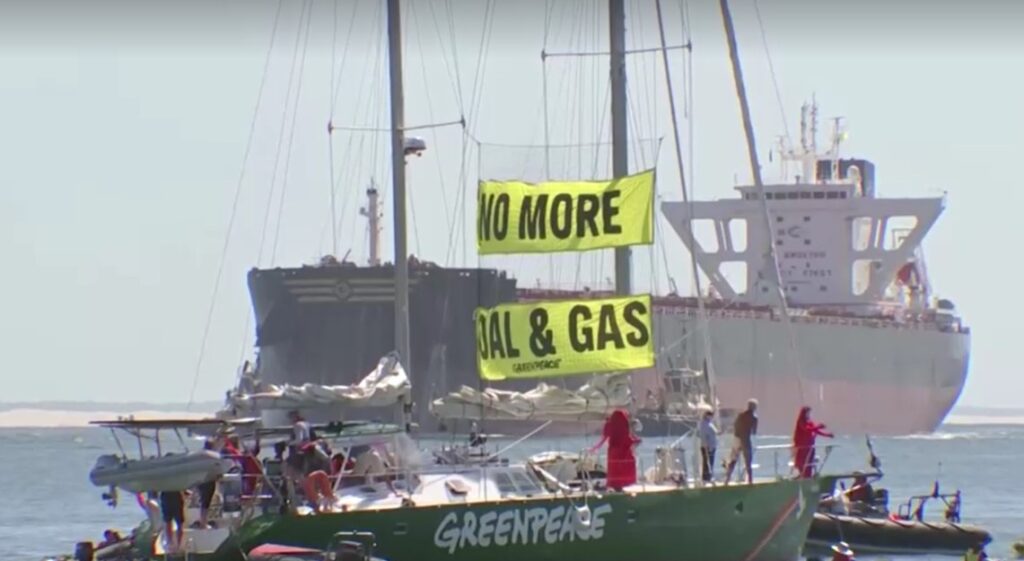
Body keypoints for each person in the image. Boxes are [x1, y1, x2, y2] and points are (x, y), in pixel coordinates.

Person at [589, 409, 640, 491]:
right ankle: (622, 486)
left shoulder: (609, 424)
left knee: (614, 470)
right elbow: (629, 439)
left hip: (613, 452)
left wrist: (595, 447)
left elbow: (604, 438)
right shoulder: (624, 424)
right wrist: (636, 440)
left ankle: (615, 486)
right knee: (624, 468)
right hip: (623, 452)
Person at [724, 399, 759, 485]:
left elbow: (735, 426)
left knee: (733, 459)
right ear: (754, 407)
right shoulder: (754, 418)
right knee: (748, 461)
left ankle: (727, 480)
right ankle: (750, 480)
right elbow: (754, 431)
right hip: (746, 439)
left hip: (737, 438)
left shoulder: (740, 415)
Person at [793, 406, 833, 478]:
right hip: (802, 448)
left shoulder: (810, 422)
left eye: (809, 413)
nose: (809, 414)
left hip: (810, 447)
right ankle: (802, 477)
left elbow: (816, 431)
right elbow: (807, 429)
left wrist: (827, 435)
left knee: (810, 463)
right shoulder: (801, 421)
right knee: (803, 463)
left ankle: (808, 477)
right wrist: (818, 426)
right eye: (807, 413)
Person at [697, 409, 718, 483]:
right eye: (710, 415)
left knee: (710, 462)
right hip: (707, 447)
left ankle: (709, 476)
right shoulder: (704, 424)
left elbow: (714, 433)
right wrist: (706, 446)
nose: (711, 417)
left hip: (712, 446)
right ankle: (706, 478)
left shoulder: (710, 424)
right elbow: (704, 436)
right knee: (707, 462)